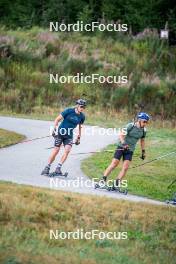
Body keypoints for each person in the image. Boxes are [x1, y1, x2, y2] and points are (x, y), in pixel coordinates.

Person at [100, 112, 150, 189]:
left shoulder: (144, 131)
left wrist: (143, 152)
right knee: (114, 164)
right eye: (144, 121)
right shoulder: (131, 126)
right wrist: (124, 144)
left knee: (125, 167)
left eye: (147, 122)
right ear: (139, 120)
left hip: (130, 150)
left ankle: (116, 184)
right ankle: (103, 179)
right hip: (121, 147)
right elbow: (121, 135)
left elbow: (142, 140)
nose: (145, 123)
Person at [41, 99, 86, 176]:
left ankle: (58, 168)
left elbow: (80, 127)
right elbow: (57, 119)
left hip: (69, 135)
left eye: (84, 107)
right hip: (60, 133)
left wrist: (79, 137)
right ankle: (47, 167)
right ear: (77, 106)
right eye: (81, 106)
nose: (82, 108)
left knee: (67, 150)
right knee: (56, 150)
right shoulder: (68, 111)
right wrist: (54, 129)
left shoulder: (82, 116)